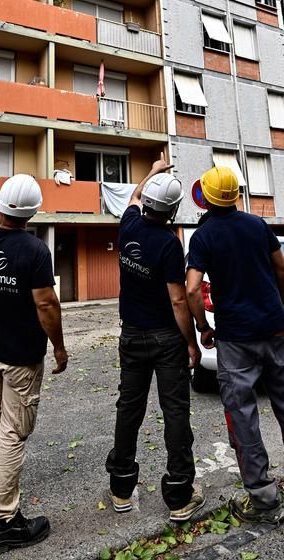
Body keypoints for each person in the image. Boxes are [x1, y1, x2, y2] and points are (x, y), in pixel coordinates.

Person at [184, 165, 284, 524]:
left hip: (235, 339)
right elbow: (282, 270)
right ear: (235, 195)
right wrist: (275, 303)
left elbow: (192, 288)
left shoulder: (203, 236)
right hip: (275, 331)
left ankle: (264, 500)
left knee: (242, 416)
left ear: (207, 199)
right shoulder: (258, 225)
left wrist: (203, 327)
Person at [0, 174, 68, 555]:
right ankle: (4, 520)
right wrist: (58, 347)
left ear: (2, 205)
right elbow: (46, 305)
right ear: (34, 211)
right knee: (13, 432)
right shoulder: (36, 250)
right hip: (21, 355)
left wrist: (4, 203)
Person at [105, 157, 204, 522]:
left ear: (147, 201)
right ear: (174, 209)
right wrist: (191, 341)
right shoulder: (168, 244)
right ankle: (179, 495)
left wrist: (153, 170)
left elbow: (132, 196)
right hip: (165, 339)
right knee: (175, 411)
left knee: (129, 408)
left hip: (130, 336)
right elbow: (179, 300)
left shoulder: (128, 225)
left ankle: (121, 490)